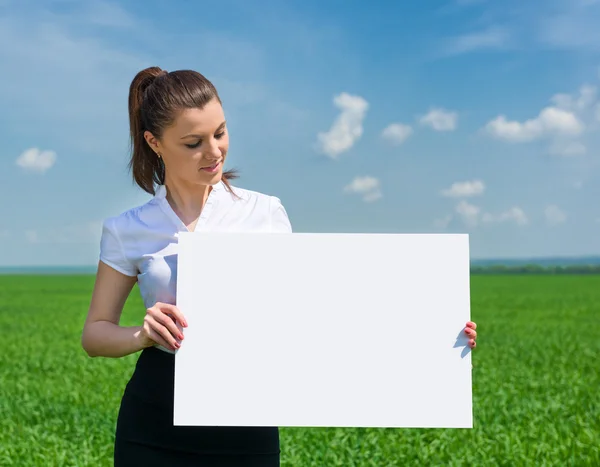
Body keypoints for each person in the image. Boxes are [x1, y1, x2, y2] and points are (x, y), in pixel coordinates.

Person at [81, 66, 478, 466]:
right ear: (155, 143)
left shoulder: (264, 213)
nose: (215, 151)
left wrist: (434, 334)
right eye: (193, 142)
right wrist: (143, 334)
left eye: (220, 133)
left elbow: (311, 315)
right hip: (153, 421)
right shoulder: (127, 229)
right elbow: (95, 334)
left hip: (246, 422)